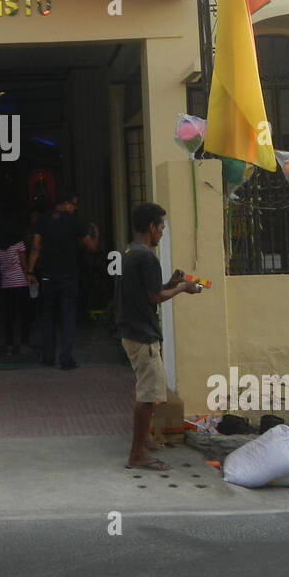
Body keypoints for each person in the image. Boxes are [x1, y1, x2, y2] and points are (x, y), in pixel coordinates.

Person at [117, 201, 202, 471]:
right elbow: (155, 297)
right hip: (143, 335)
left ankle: (146, 441)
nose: (163, 232)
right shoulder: (147, 257)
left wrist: (171, 284)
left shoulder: (131, 252)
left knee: (151, 391)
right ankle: (137, 454)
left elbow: (149, 292)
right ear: (152, 227)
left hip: (132, 330)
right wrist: (184, 289)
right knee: (148, 396)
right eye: (161, 227)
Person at [26, 190, 98, 369]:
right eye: (73, 204)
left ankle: (48, 357)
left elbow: (36, 247)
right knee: (68, 316)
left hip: (48, 275)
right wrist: (95, 234)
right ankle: (66, 359)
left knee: (48, 316)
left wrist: (30, 271)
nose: (75, 207)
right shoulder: (74, 221)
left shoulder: (43, 220)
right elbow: (91, 247)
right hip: (68, 275)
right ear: (65, 204)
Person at [0, 218, 30, 357]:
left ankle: (9, 344)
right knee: (24, 315)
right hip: (21, 282)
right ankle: (24, 343)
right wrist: (29, 275)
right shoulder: (19, 244)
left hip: (6, 283)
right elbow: (23, 263)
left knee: (9, 316)